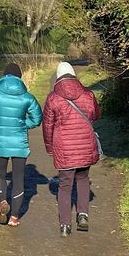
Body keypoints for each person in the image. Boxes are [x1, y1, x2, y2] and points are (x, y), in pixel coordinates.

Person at [0, 62, 42, 226]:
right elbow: (36, 119)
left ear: (4, 75)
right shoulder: (28, 97)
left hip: (0, 141)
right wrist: (22, 125)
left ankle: (3, 201)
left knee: (0, 175)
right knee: (18, 179)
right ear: (20, 77)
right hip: (20, 143)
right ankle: (14, 218)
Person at [42, 61, 101, 236]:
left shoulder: (53, 98)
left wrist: (49, 147)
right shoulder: (88, 94)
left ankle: (65, 226)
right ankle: (83, 215)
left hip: (64, 148)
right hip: (85, 144)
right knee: (83, 179)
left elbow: (47, 126)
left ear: (58, 77)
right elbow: (96, 115)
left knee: (65, 185)